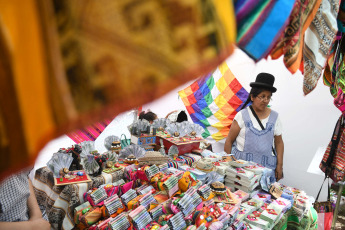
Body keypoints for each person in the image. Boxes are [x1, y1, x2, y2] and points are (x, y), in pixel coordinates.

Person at [224, 73, 284, 181]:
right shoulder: (242, 115)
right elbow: (229, 141)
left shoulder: (275, 117)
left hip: (266, 171)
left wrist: (279, 166)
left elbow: (279, 142)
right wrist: (230, 164)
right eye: (262, 96)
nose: (265, 100)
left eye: (268, 97)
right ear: (252, 97)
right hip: (242, 172)